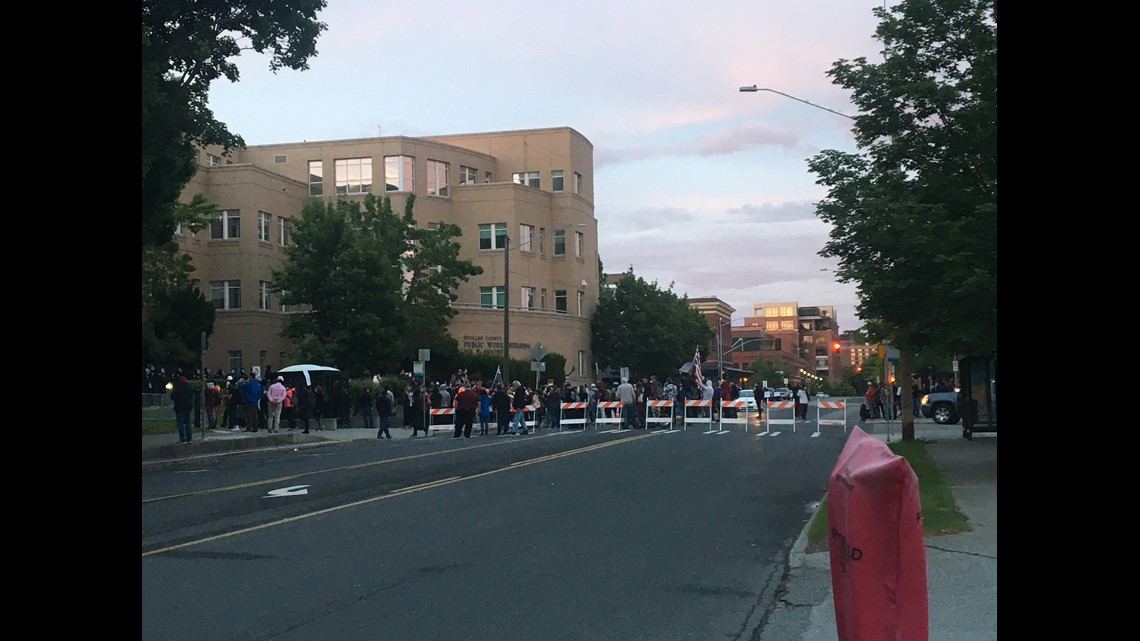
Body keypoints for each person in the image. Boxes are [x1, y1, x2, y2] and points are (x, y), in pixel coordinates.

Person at [171, 375, 195, 444]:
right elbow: (191, 394)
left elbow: (172, 396)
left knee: (180, 424)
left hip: (179, 408)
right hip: (188, 407)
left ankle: (183, 438)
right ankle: (189, 438)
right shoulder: (189, 387)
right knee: (188, 423)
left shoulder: (177, 388)